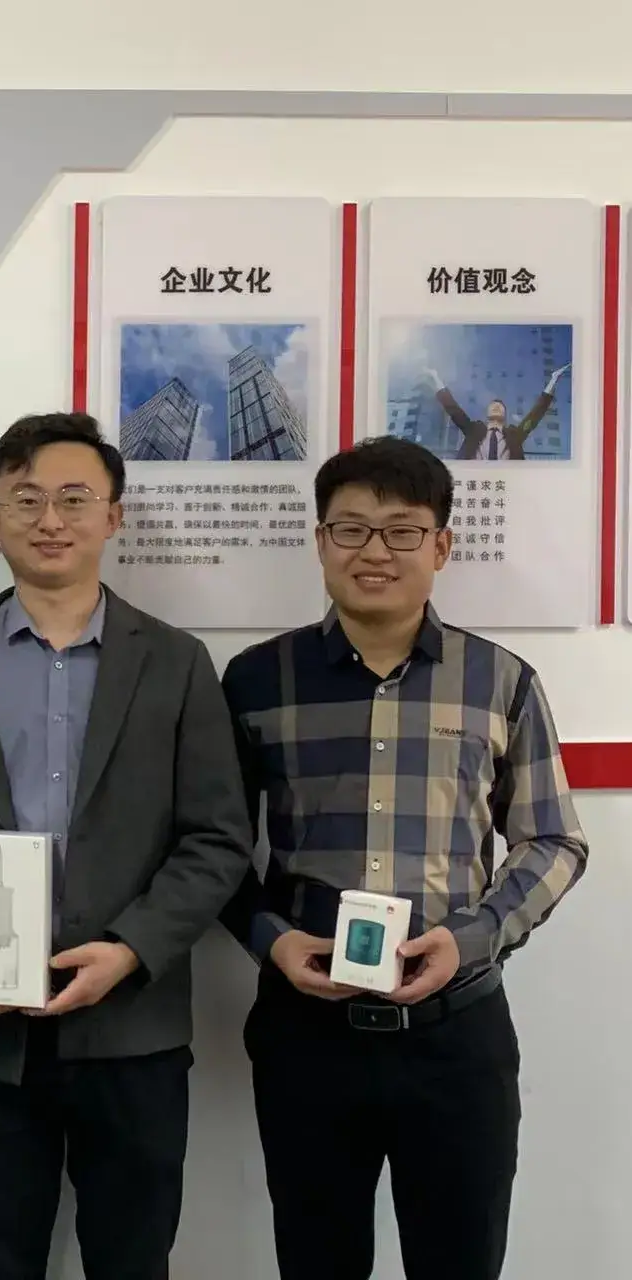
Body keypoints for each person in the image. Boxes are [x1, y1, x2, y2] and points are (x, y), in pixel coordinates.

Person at [220, 435, 589, 1280]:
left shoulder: (500, 680)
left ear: (442, 545)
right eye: (350, 530)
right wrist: (273, 939)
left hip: (457, 1035)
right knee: (317, 1263)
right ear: (320, 541)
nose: (374, 552)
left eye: (401, 531)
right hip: (307, 1034)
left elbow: (553, 840)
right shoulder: (256, 681)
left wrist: (474, 936)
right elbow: (212, 847)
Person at [0, 412, 252, 1280]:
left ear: (113, 516)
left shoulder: (176, 663)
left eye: (73, 499)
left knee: (132, 1260)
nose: (50, 520)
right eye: (26, 500)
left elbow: (217, 839)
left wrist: (131, 950)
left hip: (133, 1029)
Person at [423, 362, 569, 460]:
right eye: (492, 405)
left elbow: (535, 415)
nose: (496, 406)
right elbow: (452, 408)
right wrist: (435, 377)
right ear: (487, 413)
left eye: (500, 406)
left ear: (505, 414)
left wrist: (553, 380)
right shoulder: (473, 429)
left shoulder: (515, 434)